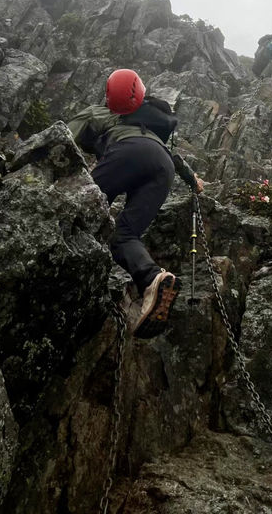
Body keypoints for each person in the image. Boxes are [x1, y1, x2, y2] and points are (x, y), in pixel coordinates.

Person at [68, 68, 203, 336]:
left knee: (81, 211)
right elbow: (172, 157)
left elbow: (63, 138)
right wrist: (193, 180)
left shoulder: (99, 112)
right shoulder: (150, 121)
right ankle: (152, 279)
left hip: (125, 153)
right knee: (125, 235)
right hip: (163, 166)